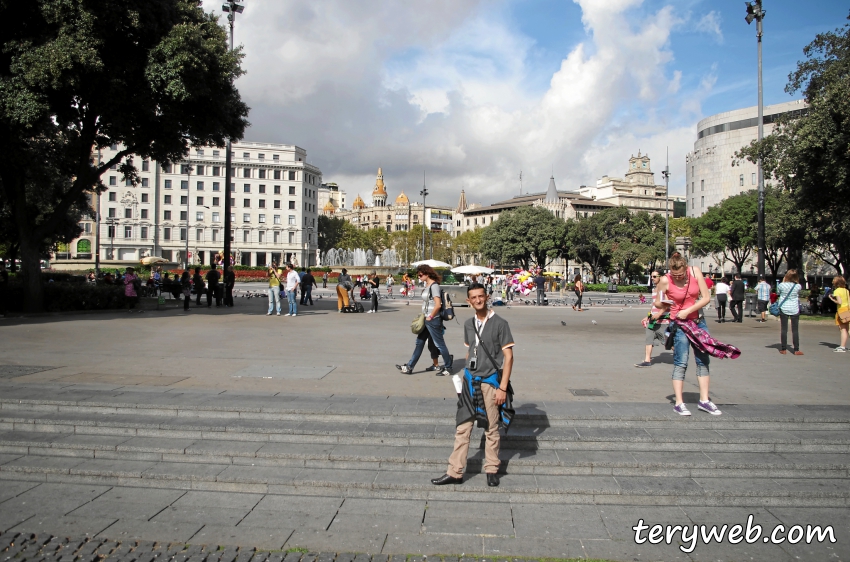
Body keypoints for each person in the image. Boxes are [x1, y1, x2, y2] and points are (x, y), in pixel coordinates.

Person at [430, 283, 514, 488]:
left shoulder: (500, 323)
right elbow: (470, 353)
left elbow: (509, 357)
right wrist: (462, 379)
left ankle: (492, 469)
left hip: (490, 383)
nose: (477, 300)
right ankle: (455, 472)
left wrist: (502, 388)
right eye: (473, 297)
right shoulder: (469, 324)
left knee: (491, 428)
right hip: (470, 381)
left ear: (487, 297)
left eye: (480, 296)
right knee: (462, 427)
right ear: (468, 301)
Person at [652, 252, 720, 416]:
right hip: (679, 324)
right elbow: (658, 301)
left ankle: (704, 400)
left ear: (686, 268)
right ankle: (679, 402)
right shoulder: (665, 280)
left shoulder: (695, 272)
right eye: (675, 275)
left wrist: (688, 310)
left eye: (681, 274)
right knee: (681, 361)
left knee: (703, 359)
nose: (679, 277)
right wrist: (667, 304)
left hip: (698, 322)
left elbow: (705, 297)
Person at [396, 264, 453, 376]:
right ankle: (409, 366)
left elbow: (438, 304)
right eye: (418, 275)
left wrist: (430, 316)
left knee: (439, 344)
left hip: (433, 320)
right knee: (419, 342)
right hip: (426, 320)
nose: (419, 277)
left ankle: (448, 367)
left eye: (420, 275)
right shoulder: (428, 285)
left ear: (427, 273)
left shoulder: (434, 286)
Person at [635, 271, 667, 368]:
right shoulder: (654, 290)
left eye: (654, 276)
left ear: (661, 277)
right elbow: (653, 305)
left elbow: (667, 304)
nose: (652, 278)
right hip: (652, 320)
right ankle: (647, 360)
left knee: (668, 343)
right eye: (651, 276)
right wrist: (648, 316)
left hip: (663, 320)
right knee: (649, 339)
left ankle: (680, 358)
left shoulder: (664, 289)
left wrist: (659, 313)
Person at [776, 270, 802, 355]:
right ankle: (796, 349)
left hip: (784, 308)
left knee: (784, 329)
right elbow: (798, 293)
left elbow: (778, 293)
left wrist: (784, 281)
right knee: (795, 330)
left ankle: (783, 349)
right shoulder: (798, 286)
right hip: (794, 308)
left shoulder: (781, 285)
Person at [829, 276, 849, 353]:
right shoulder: (846, 290)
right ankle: (843, 345)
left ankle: (842, 346)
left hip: (841, 310)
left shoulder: (837, 291)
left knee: (842, 329)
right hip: (847, 309)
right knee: (847, 329)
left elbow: (839, 302)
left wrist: (832, 299)